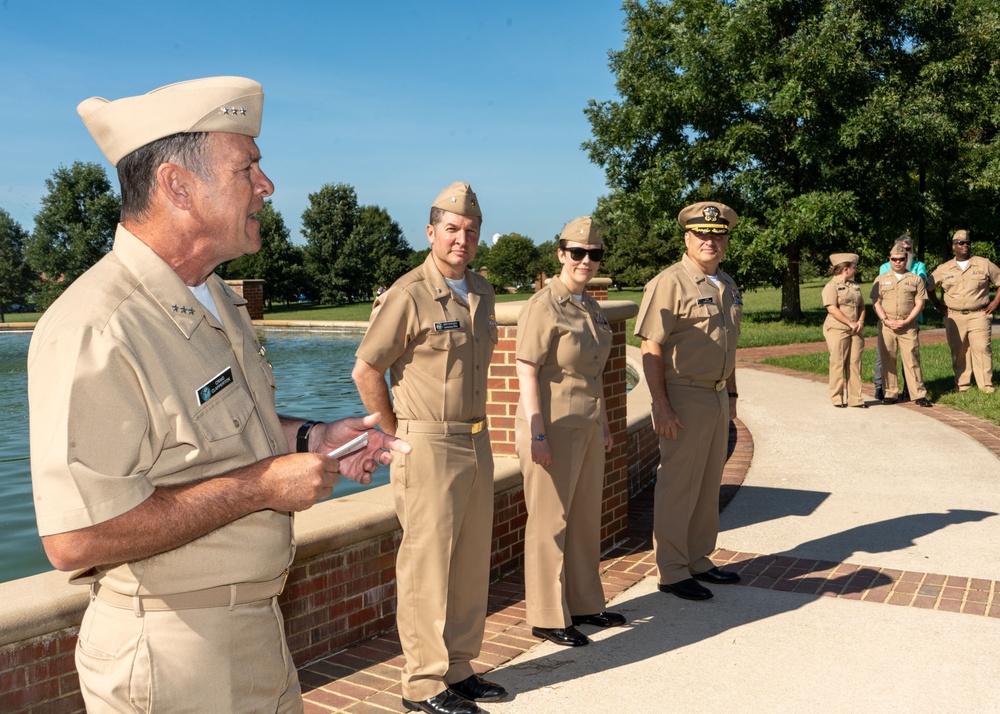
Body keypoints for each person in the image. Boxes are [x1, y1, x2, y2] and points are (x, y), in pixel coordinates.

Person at [28, 77, 409, 714]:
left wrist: (312, 437)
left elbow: (223, 432)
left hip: (253, 634)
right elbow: (76, 536)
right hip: (174, 657)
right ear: (178, 185)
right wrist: (263, 486)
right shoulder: (98, 327)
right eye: (248, 167)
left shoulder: (213, 297)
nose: (267, 185)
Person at [352, 182, 504, 714]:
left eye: (470, 231)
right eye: (452, 229)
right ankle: (422, 684)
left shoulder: (481, 292)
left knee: (468, 561)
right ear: (431, 232)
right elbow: (367, 369)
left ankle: (459, 668)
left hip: (476, 440)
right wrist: (392, 434)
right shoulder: (408, 293)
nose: (461, 239)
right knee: (426, 566)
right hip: (428, 441)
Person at [515, 216, 625, 649]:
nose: (585, 261)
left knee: (582, 519)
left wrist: (605, 425)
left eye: (593, 254)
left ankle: (583, 603)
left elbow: (593, 375)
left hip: (586, 427)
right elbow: (526, 370)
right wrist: (537, 432)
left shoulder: (591, 307)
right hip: (553, 428)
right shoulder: (544, 305)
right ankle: (546, 615)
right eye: (577, 253)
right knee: (549, 522)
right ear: (561, 254)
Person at [634, 201, 743, 602]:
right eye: (702, 235)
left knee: (708, 482)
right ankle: (673, 570)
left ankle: (698, 557)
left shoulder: (727, 284)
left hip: (715, 396)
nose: (710, 241)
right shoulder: (670, 282)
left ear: (726, 241)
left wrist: (731, 395)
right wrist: (660, 404)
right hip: (682, 395)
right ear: (687, 238)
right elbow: (650, 345)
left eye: (717, 235)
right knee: (679, 485)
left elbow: (729, 346)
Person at [930, 230, 1000, 394]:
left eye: (967, 242)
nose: (965, 245)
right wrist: (937, 305)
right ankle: (963, 386)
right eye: (961, 243)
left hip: (979, 314)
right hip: (954, 316)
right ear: (954, 246)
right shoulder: (944, 268)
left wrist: (995, 303)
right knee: (959, 350)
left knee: (982, 348)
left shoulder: (983, 263)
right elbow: (928, 287)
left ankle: (986, 387)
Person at [873, 234, 936, 401]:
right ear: (890, 259)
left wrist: (907, 321)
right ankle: (890, 393)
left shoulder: (915, 279)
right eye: (894, 259)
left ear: (906, 257)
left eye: (901, 259)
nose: (897, 262)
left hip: (908, 324)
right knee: (888, 359)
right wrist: (886, 320)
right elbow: (876, 302)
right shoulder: (880, 279)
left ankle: (918, 395)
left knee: (912, 359)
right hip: (887, 325)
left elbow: (920, 303)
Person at [822, 253, 867, 408]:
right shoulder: (831, 286)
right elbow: (832, 308)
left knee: (855, 363)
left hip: (855, 329)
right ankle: (837, 398)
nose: (855, 270)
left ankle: (856, 399)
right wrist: (850, 322)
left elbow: (861, 305)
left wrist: (860, 321)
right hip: (838, 329)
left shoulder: (854, 286)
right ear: (846, 269)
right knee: (838, 362)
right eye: (854, 267)